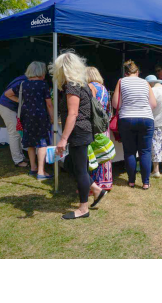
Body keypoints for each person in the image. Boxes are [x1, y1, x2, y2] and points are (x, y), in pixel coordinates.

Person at [51, 52, 106, 219]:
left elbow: (73, 114)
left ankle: (83, 209)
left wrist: (63, 139)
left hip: (79, 132)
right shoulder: (82, 84)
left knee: (80, 170)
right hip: (83, 130)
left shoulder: (72, 86)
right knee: (71, 165)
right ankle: (97, 190)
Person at [5, 62, 54, 178]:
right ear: (41, 71)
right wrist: (52, 118)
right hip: (40, 115)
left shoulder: (23, 84)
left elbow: (7, 94)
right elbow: (49, 104)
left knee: (30, 142)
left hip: (26, 115)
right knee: (42, 143)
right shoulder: (43, 84)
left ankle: (33, 168)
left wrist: (21, 102)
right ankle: (41, 172)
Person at [113, 60, 156, 189]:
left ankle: (131, 181)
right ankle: (146, 182)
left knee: (130, 152)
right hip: (146, 118)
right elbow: (153, 104)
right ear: (137, 72)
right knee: (145, 151)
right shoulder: (145, 82)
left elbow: (116, 104)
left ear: (126, 73)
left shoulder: (121, 81)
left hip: (127, 118)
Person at [86, 66, 113, 191]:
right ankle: (106, 182)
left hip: (93, 125)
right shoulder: (104, 88)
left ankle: (95, 184)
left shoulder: (90, 88)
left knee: (94, 154)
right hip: (103, 124)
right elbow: (107, 109)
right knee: (104, 153)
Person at [0, 73, 28, 167]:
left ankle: (20, 156)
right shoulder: (24, 81)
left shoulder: (23, 78)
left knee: (17, 133)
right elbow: (8, 94)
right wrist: (22, 101)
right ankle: (18, 160)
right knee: (14, 133)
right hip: (7, 107)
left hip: (6, 106)